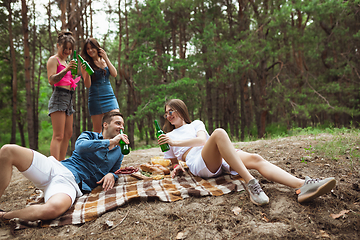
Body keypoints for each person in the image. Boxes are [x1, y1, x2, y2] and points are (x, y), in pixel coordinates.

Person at [157, 99, 336, 206]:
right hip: (200, 163)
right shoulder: (168, 136)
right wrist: (176, 167)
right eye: (166, 114)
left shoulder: (196, 124)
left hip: (218, 153)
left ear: (181, 110)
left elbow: (203, 140)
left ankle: (302, 186)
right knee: (219, 132)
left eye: (171, 111)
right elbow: (172, 160)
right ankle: (251, 182)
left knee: (256, 158)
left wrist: (175, 141)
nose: (169, 115)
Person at [0, 112, 129, 222]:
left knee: (52, 209)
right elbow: (80, 147)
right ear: (105, 125)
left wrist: (112, 174)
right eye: (118, 123)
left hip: (70, 185)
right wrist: (110, 142)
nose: (121, 127)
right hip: (55, 168)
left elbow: (115, 170)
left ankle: (4, 216)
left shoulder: (119, 151)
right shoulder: (89, 136)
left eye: (122, 125)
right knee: (8, 151)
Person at [47, 30, 81, 161]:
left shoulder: (67, 62)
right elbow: (51, 80)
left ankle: (61, 163)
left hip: (69, 97)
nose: (67, 51)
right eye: (64, 48)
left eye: (70, 49)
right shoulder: (53, 60)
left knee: (68, 134)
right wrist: (66, 70)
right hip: (59, 97)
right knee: (58, 135)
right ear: (58, 46)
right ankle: (54, 165)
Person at [80, 38, 119, 133]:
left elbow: (114, 74)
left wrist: (106, 57)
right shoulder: (85, 64)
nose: (90, 50)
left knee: (117, 124)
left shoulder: (104, 60)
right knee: (98, 130)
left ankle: (118, 148)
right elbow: (87, 85)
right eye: (87, 49)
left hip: (110, 97)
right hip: (95, 99)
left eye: (92, 47)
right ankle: (101, 148)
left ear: (97, 48)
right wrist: (86, 72)